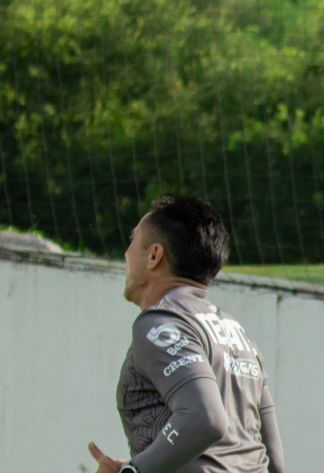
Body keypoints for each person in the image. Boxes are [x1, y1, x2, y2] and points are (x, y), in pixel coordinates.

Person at [88, 195, 284, 473]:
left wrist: (134, 470)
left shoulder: (160, 322)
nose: (126, 253)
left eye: (132, 240)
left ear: (154, 255)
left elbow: (205, 418)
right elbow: (274, 460)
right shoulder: (240, 335)